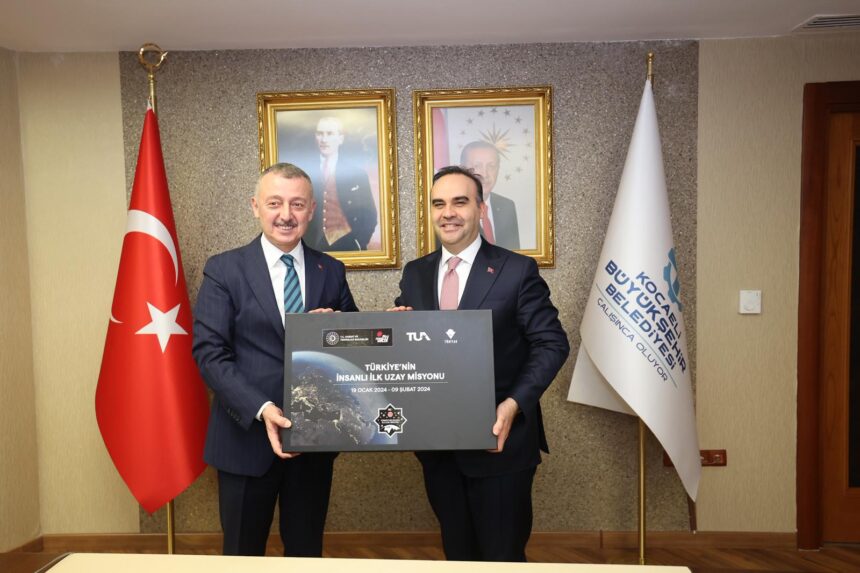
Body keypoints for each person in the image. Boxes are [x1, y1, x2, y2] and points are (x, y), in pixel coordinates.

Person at [391, 166, 569, 561]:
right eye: (439, 203)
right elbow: (416, 347)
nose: (448, 213)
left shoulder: (516, 270)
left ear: (481, 209)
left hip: (500, 444)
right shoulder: (416, 273)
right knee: (458, 554)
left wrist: (513, 404)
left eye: (460, 202)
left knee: (502, 557)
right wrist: (395, 332)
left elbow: (552, 343)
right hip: (438, 447)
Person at [193, 163, 358, 556]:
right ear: (255, 206)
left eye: (297, 204)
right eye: (275, 203)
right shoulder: (224, 269)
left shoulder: (331, 270)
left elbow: (354, 348)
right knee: (242, 555)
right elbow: (210, 353)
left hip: (312, 444)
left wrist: (335, 329)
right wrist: (263, 408)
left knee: (306, 553)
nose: (286, 214)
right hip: (244, 440)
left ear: (311, 210)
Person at [304, 116, 377, 252]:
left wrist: (359, 242)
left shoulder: (357, 174)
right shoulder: (303, 173)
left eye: (330, 134)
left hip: (348, 244)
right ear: (315, 137)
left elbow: (370, 216)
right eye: (320, 133)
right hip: (312, 247)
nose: (324, 139)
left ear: (340, 139)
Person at [460, 140, 520, 250]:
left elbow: (514, 254)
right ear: (462, 170)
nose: (485, 174)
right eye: (477, 166)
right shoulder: (451, 210)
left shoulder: (507, 206)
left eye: (491, 166)